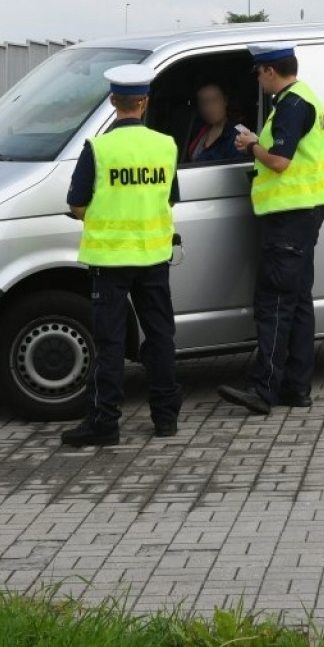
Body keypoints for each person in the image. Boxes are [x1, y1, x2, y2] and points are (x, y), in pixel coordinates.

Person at [217, 42, 324, 416]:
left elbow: (281, 162)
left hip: (289, 217)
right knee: (299, 301)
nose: (258, 79)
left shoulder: (291, 105)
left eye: (258, 72)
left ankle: (262, 389)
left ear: (270, 71)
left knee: (274, 303)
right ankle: (295, 387)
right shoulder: (304, 98)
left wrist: (252, 145)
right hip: (304, 212)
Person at [61, 64, 183, 447]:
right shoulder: (166, 145)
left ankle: (105, 422)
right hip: (154, 257)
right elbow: (170, 197)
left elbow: (77, 204)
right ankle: (165, 418)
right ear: (144, 102)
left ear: (114, 102)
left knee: (111, 343)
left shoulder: (99, 148)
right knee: (161, 336)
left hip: (111, 261)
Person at [183, 81, 241, 164]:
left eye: (214, 101)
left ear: (225, 101)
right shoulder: (199, 130)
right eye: (203, 102)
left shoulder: (238, 136)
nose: (209, 108)